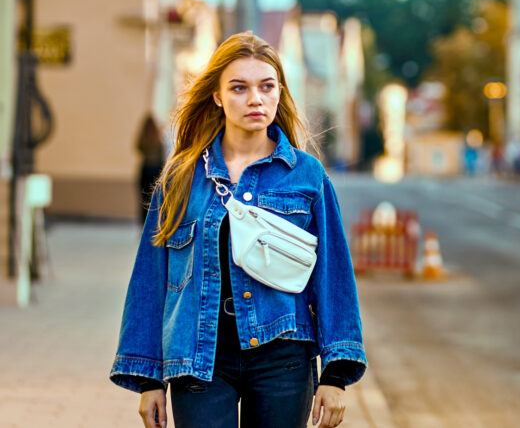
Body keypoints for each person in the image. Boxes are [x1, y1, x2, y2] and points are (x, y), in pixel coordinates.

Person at [110, 32, 366, 428]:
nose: (255, 99)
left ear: (280, 91)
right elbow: (150, 276)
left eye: (267, 86)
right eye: (239, 88)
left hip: (284, 356)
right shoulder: (180, 178)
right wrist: (147, 378)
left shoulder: (307, 177)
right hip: (199, 357)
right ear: (217, 96)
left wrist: (336, 374)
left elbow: (334, 276)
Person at [136, 114, 166, 224]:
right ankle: (152, 223)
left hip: (146, 170)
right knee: (154, 200)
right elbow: (162, 156)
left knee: (144, 199)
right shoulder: (158, 139)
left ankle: (144, 224)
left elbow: (138, 148)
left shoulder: (144, 138)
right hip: (156, 171)